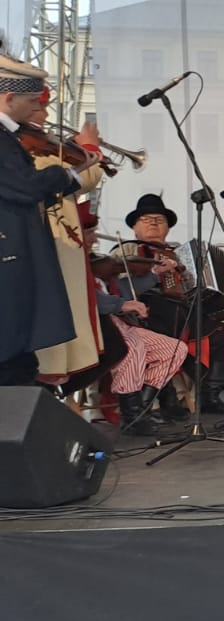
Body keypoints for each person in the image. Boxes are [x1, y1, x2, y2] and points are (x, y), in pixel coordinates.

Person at [0, 54, 91, 386]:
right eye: (31, 102)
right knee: (12, 358)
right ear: (10, 97)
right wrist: (64, 173)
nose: (36, 110)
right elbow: (23, 187)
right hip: (9, 256)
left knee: (19, 358)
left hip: (14, 252)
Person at [111, 194, 224, 416]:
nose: (154, 224)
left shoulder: (180, 254)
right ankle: (164, 397)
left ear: (168, 228)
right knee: (166, 325)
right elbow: (120, 288)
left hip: (183, 314)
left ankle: (209, 395)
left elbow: (196, 288)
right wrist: (153, 274)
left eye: (160, 220)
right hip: (146, 315)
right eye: (146, 219)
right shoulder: (125, 251)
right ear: (134, 227)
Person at [25, 89, 109, 393]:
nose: (46, 115)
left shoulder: (38, 147)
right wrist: (88, 148)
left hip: (62, 244)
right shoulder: (23, 148)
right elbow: (78, 179)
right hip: (50, 246)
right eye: (39, 108)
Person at [92, 275, 189, 436]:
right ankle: (132, 417)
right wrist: (121, 304)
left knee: (175, 349)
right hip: (100, 329)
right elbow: (93, 300)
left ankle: (143, 409)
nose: (114, 265)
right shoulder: (85, 279)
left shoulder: (111, 281)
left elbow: (131, 286)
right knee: (131, 348)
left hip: (122, 325)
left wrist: (153, 274)